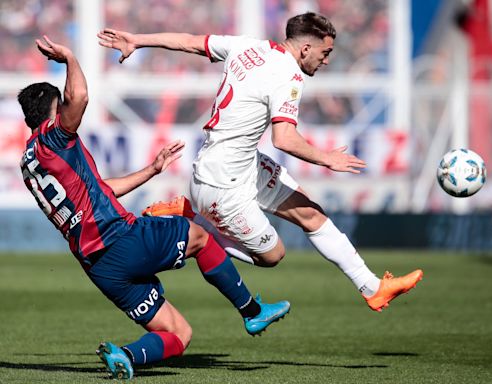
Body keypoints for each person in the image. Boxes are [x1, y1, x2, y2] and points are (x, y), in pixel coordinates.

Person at [97, 12, 423, 313]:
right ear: (306, 47)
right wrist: (327, 159)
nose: (326, 60)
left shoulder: (246, 46)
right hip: (221, 183)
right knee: (272, 256)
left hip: (242, 166)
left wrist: (139, 40)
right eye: (325, 53)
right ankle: (190, 216)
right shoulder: (288, 77)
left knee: (310, 213)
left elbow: (189, 42)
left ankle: (372, 287)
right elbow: (284, 139)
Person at [18, 35, 290, 380]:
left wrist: (151, 170)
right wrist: (70, 56)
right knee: (200, 237)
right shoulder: (55, 138)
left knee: (178, 334)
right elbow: (80, 97)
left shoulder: (31, 161)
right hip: (119, 238)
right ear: (55, 111)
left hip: (100, 267)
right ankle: (252, 311)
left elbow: (100, 191)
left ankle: (126, 354)